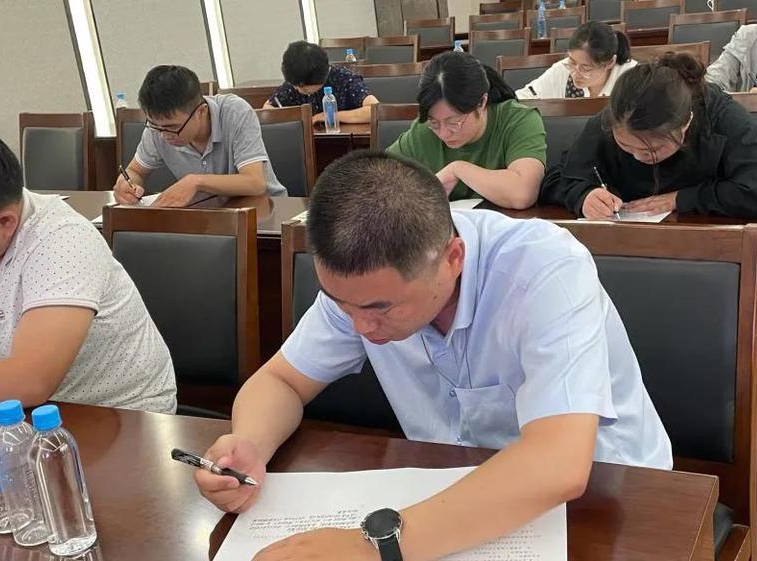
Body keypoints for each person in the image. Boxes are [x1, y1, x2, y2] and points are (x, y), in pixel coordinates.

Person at [192, 150, 671, 561]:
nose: (359, 326)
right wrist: (250, 443)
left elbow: (558, 465)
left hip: (610, 498)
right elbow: (281, 381)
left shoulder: (546, 270)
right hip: (452, 499)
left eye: (380, 308)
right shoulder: (359, 289)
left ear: (452, 258)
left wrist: (372, 546)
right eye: (342, 305)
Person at [0, 120, 177, 416]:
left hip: (121, 413)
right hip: (8, 414)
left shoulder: (63, 239)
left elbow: (30, 378)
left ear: (5, 222)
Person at [540, 53, 757, 219]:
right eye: (626, 147)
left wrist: (683, 199)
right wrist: (584, 195)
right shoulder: (613, 119)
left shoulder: (720, 117)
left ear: (686, 124)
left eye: (651, 151)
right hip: (628, 241)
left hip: (712, 244)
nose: (638, 157)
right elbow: (558, 177)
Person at [387, 51, 547, 210]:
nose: (443, 134)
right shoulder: (423, 130)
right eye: (434, 122)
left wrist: (457, 169)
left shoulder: (518, 120)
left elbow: (522, 193)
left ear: (481, 102)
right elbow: (379, 179)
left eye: (453, 122)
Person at [113, 65, 287, 207]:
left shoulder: (235, 112)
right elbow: (135, 171)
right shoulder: (157, 128)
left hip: (266, 210)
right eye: (156, 126)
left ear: (201, 111)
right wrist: (126, 185)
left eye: (173, 127)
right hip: (208, 218)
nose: (164, 136)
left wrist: (196, 182)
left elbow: (255, 183)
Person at [264, 41, 379, 124]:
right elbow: (268, 108)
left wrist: (329, 116)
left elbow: (374, 110)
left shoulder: (344, 78)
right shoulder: (295, 80)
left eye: (302, 87)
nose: (297, 89)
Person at [515, 22, 638, 99]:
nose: (575, 73)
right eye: (572, 62)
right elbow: (523, 97)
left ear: (610, 62)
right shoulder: (562, 69)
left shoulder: (632, 79)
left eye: (586, 67)